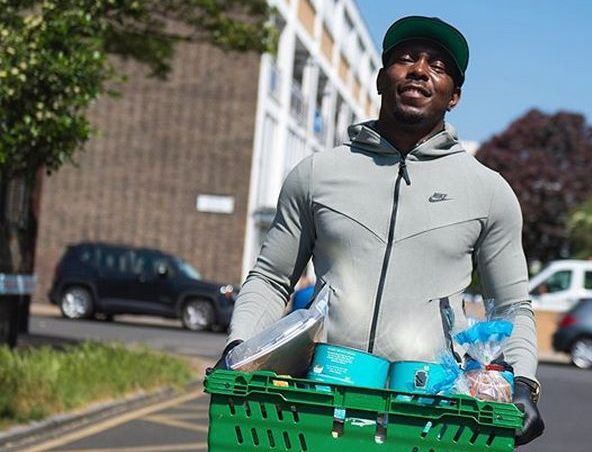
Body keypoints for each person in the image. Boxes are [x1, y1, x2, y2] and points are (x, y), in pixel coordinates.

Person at [219, 16, 544, 445]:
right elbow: (271, 278)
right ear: (379, 79)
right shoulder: (318, 174)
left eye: (438, 66)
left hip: (430, 418)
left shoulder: (488, 192)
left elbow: (510, 305)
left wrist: (523, 383)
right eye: (406, 59)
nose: (419, 70)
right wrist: (238, 347)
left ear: (455, 97)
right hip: (316, 405)